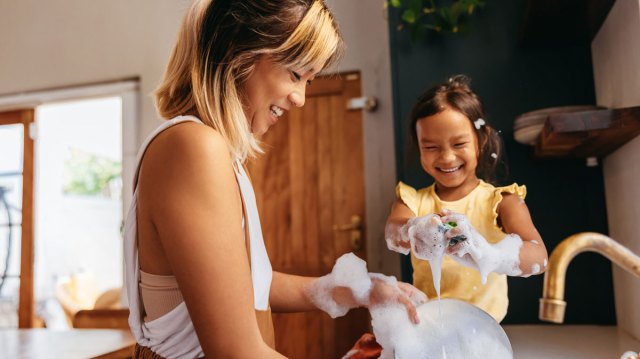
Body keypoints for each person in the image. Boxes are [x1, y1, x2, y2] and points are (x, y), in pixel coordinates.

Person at [123, 1, 426, 358]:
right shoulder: (193, 148)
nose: (300, 98)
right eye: (295, 74)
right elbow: (236, 352)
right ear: (239, 54)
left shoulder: (216, 152)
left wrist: (356, 290)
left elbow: (243, 285)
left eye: (309, 81)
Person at [384, 75, 548, 322]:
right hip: (430, 325)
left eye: (459, 144)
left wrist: (488, 254)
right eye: (431, 147)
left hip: (485, 329)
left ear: (481, 141)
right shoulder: (412, 201)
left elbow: (539, 257)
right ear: (418, 147)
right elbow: (393, 232)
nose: (447, 158)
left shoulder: (502, 202)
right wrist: (414, 230)